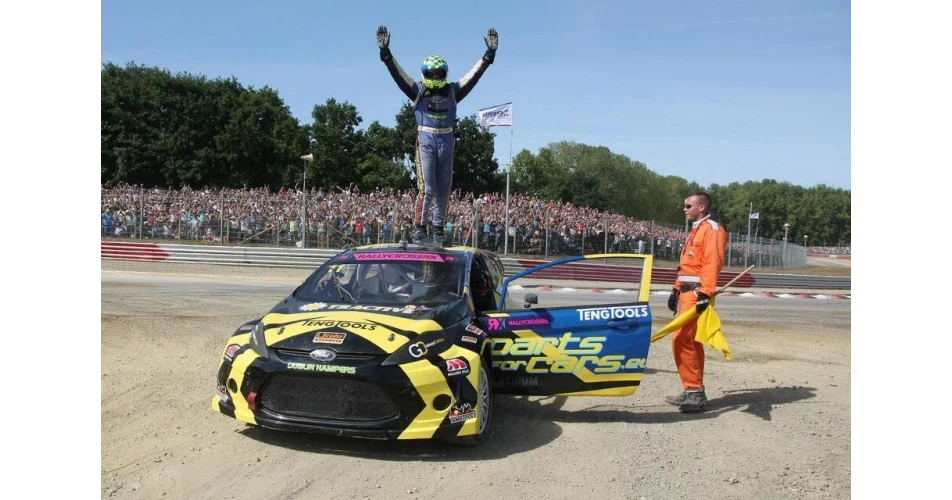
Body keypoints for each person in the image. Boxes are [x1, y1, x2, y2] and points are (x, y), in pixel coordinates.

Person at [376, 25, 498, 245]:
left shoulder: (453, 91)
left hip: (447, 140)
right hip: (426, 140)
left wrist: (488, 57)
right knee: (428, 188)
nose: (435, 76)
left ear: (444, 73)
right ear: (425, 74)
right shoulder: (418, 91)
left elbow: (473, 76)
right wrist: (386, 55)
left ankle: (438, 231)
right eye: (431, 74)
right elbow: (399, 75)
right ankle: (420, 230)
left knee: (444, 190)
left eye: (438, 73)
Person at [665, 192, 727, 413]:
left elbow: (712, 263)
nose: (684, 209)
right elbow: (687, 266)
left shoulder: (712, 229)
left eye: (688, 205)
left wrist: (705, 293)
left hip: (697, 294)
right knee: (690, 341)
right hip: (686, 293)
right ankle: (692, 388)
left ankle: (694, 391)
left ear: (701, 207)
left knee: (682, 339)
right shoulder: (695, 230)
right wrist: (675, 289)